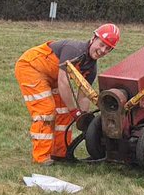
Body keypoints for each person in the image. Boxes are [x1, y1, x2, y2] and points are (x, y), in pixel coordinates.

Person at [13, 23, 120, 165]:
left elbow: (84, 94)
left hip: (52, 77)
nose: (102, 50)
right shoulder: (74, 50)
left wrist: (84, 116)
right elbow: (63, 81)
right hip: (31, 68)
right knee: (46, 110)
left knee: (65, 113)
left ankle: (60, 153)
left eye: (108, 48)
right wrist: (74, 111)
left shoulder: (91, 67)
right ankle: (41, 157)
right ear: (93, 38)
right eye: (101, 44)